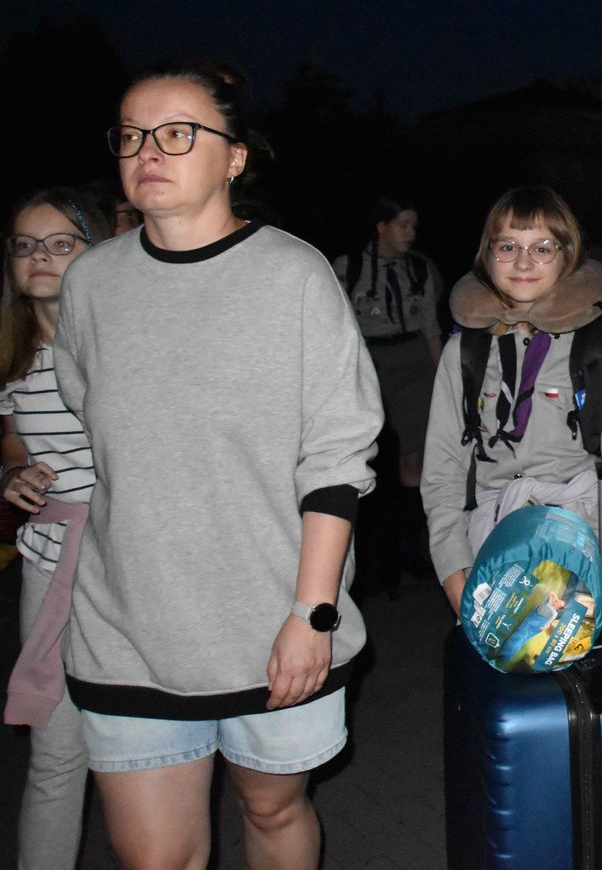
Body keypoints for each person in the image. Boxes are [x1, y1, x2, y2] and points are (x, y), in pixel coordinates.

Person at [51, 60, 383, 870]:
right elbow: (90, 425)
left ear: (234, 156)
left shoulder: (291, 275)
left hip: (271, 619)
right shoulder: (90, 284)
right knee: (155, 858)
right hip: (127, 625)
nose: (147, 151)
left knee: (271, 808)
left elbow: (337, 455)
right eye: (132, 135)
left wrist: (312, 614)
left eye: (176, 133)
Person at [421, 185, 602, 620]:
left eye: (542, 248)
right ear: (487, 255)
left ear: (567, 256)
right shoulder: (464, 352)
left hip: (584, 540)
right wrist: (454, 571)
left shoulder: (598, 352)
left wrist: (586, 562)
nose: (523, 262)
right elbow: (443, 472)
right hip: (492, 541)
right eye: (508, 247)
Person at [1, 188, 110, 870]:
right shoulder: (11, 357)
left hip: (129, 559)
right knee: (56, 750)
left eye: (61, 242)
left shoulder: (119, 344)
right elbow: (13, 444)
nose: (40, 255)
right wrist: (12, 473)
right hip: (49, 560)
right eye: (25, 244)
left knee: (138, 740)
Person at [334, 198, 444, 593]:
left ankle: (413, 550)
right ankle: (374, 557)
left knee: (414, 459)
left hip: (414, 364)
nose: (410, 233)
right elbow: (337, 329)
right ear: (381, 226)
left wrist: (444, 379)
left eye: (414, 225)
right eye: (403, 225)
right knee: (373, 459)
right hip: (371, 364)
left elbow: (431, 327)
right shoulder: (348, 267)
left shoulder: (419, 268)